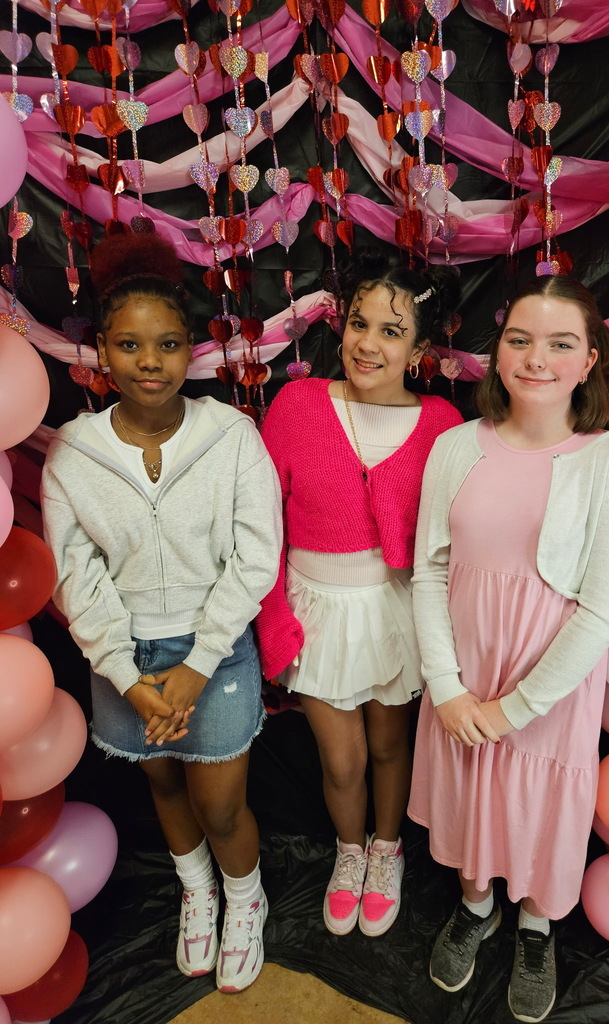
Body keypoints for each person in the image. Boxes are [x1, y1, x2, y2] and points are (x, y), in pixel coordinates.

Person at [41, 231, 282, 994]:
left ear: (191, 352)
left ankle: (245, 898)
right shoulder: (73, 457)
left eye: (169, 344)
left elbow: (255, 560)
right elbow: (75, 578)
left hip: (215, 654)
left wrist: (195, 666)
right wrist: (127, 673)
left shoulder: (232, 437)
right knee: (165, 788)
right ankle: (199, 892)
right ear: (102, 355)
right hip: (121, 658)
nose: (151, 361)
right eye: (130, 345)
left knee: (219, 800)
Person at [408, 275, 609, 1022]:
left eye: (560, 344)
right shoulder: (454, 446)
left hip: (547, 685)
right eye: (519, 339)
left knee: (541, 805)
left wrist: (517, 707)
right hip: (463, 675)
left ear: (589, 362)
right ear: (498, 352)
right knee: (471, 794)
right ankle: (475, 906)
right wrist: (447, 688)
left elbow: (603, 611)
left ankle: (537, 926)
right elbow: (429, 571)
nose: (535, 357)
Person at [255, 250, 463, 938]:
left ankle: (386, 850)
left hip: (394, 607)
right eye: (359, 324)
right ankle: (349, 854)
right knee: (338, 759)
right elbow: (262, 525)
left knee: (387, 747)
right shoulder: (296, 404)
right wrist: (273, 615)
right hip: (315, 606)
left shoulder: (440, 425)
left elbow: (450, 538)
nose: (368, 344)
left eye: (391, 332)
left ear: (420, 350)